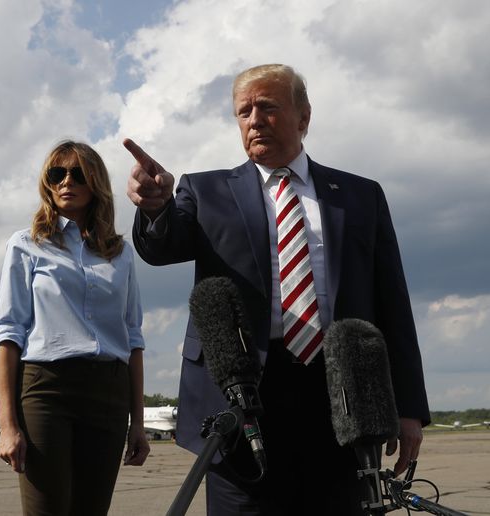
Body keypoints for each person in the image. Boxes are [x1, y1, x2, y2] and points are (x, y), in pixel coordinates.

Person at [124, 64, 430, 514]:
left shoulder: (360, 196)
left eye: (267, 106)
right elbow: (163, 245)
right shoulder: (205, 191)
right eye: (243, 111)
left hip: (339, 395)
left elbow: (393, 306)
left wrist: (408, 408)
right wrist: (155, 208)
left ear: (304, 117)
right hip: (240, 396)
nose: (253, 119)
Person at [0, 140, 150, 515]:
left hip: (109, 394)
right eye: (56, 173)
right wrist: (7, 425)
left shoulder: (121, 252)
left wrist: (138, 423)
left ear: (95, 181)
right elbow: (9, 334)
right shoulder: (27, 245)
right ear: (47, 183)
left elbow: (133, 339)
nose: (66, 180)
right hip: (47, 389)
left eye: (77, 173)